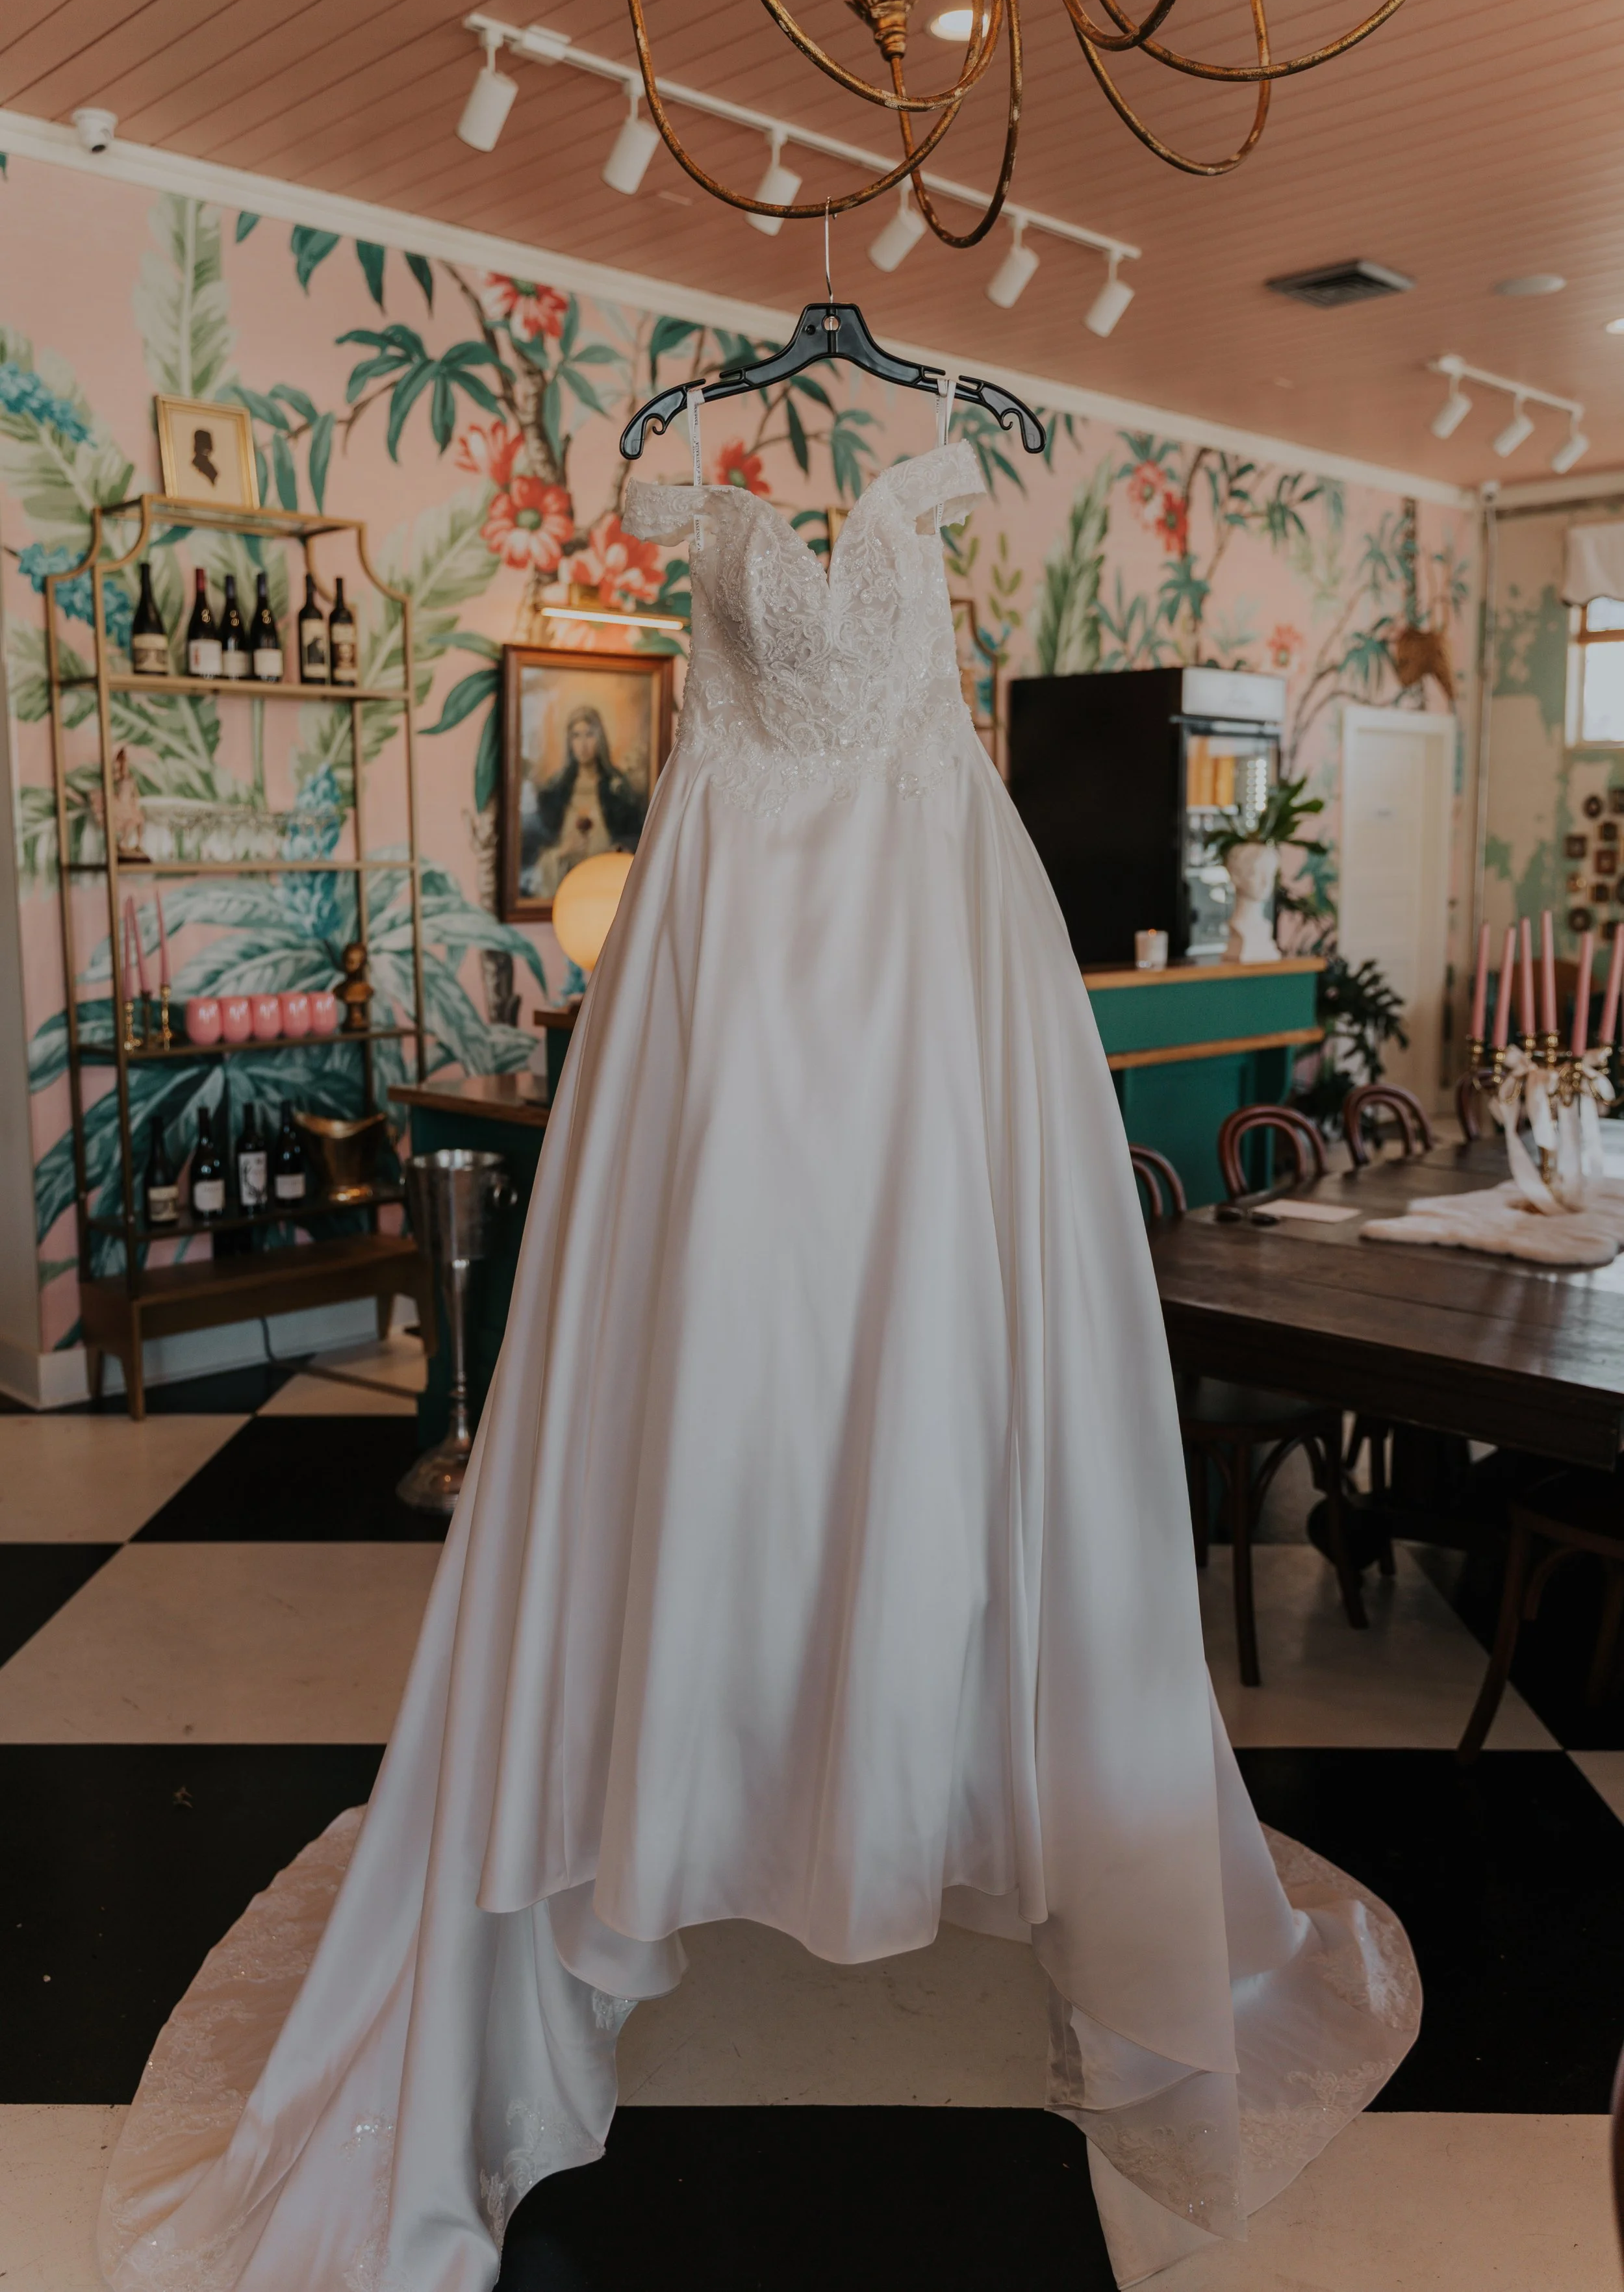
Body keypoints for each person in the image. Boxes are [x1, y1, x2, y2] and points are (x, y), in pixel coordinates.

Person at [99, 418, 1417, 2292]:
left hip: (923, 994)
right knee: (706, 1423)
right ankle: (704, 1809)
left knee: (918, 1415)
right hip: (725, 996)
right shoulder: (707, 528)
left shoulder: (927, 480)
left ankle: (867, 1799)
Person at [520, 702, 645, 900]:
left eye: (589, 735)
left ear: (600, 738)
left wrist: (618, 850)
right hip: (566, 884)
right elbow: (535, 850)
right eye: (576, 736)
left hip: (605, 884)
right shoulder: (556, 790)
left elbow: (636, 837)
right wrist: (562, 851)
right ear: (569, 741)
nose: (583, 745)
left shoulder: (618, 788)